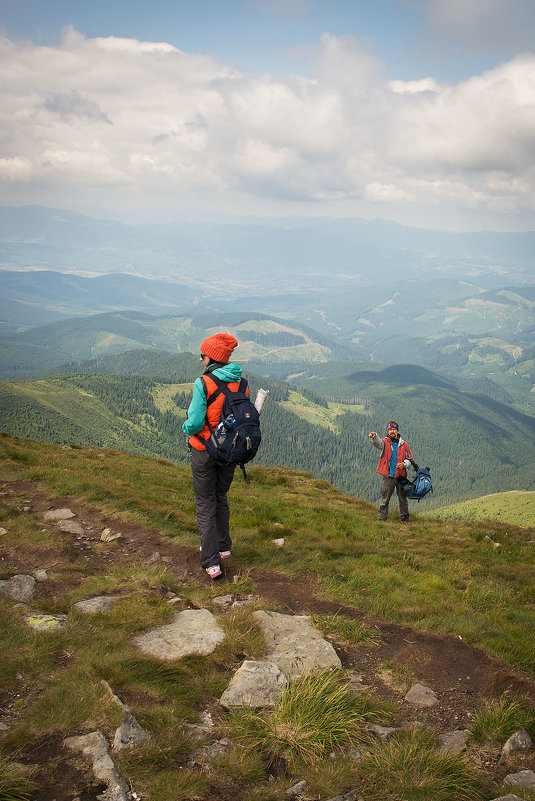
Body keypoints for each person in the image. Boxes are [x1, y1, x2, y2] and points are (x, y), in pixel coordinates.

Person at [182, 332, 246, 580]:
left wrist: (185, 428)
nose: (201, 359)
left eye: (203, 355)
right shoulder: (241, 382)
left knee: (205, 503)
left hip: (204, 451)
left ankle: (211, 562)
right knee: (220, 497)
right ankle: (223, 546)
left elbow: (196, 422)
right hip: (229, 452)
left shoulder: (203, 383)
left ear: (211, 357)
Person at [368, 421, 413, 522]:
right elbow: (378, 443)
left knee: (403, 499)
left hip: (401, 476)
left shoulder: (404, 444)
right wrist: (374, 436)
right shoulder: (385, 442)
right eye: (390, 430)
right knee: (385, 499)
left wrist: (404, 464)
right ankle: (382, 519)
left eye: (394, 429)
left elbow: (410, 458)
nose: (392, 431)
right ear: (388, 431)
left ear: (397, 430)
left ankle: (404, 520)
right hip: (388, 475)